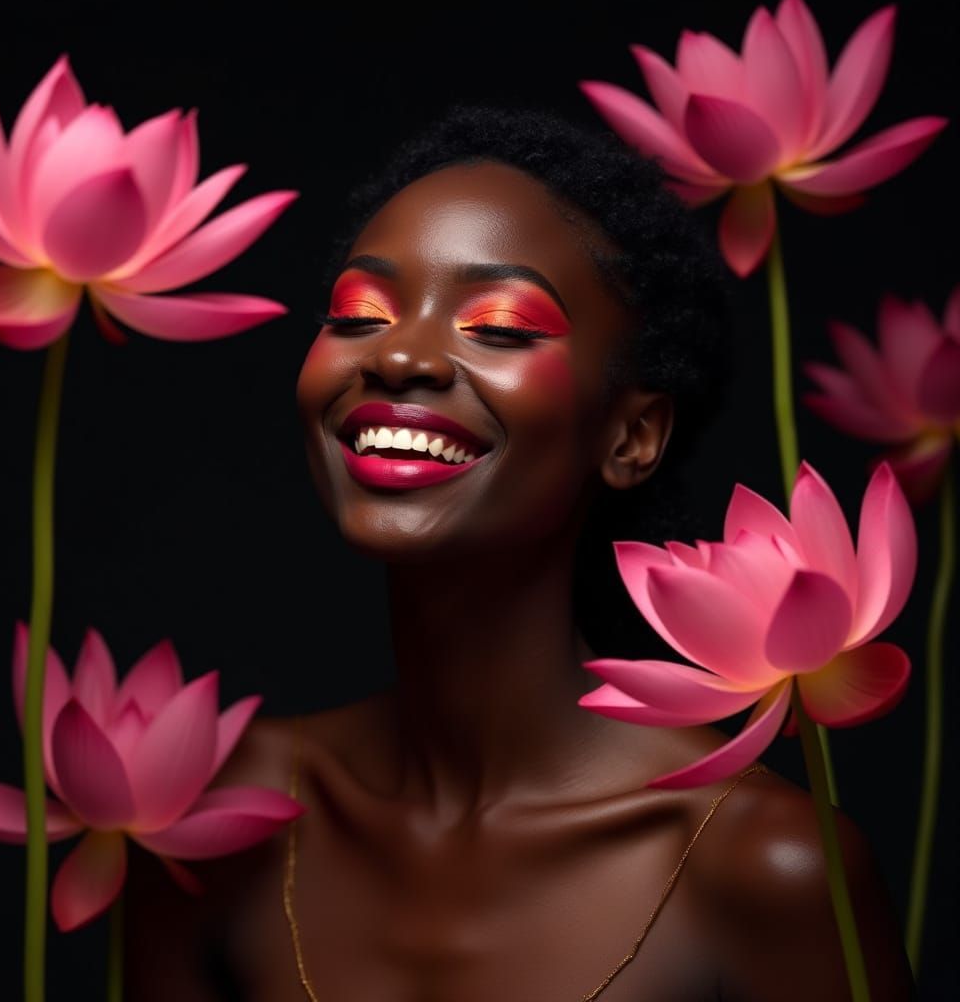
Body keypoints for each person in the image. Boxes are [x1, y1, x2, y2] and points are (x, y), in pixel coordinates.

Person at [125, 104, 916, 1001]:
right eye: (359, 313)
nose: (401, 356)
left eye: (498, 326)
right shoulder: (213, 810)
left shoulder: (764, 865)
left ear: (632, 438)